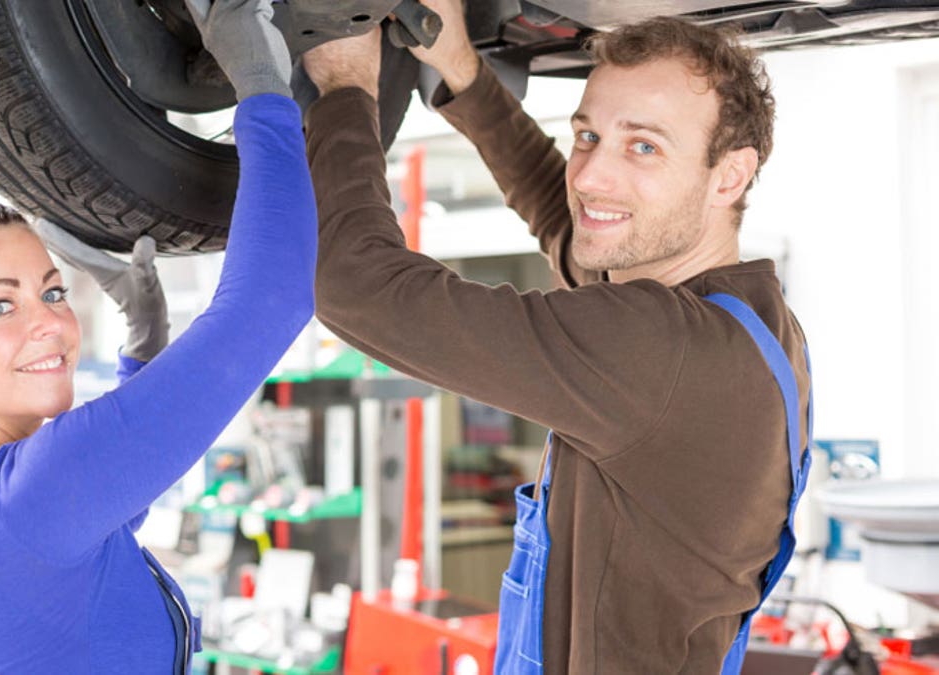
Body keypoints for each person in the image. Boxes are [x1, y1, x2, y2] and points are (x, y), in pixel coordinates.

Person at [302, 4, 811, 673]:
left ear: (731, 176)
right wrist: (461, 68)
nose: (591, 177)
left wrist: (344, 89)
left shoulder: (658, 351)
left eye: (644, 146)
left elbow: (358, 289)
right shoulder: (753, 321)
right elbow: (574, 229)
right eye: (587, 137)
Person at [0, 0, 316, 671]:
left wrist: (144, 346)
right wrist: (264, 88)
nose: (52, 325)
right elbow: (271, 300)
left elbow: (95, 524)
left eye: (52, 291)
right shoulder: (23, 497)